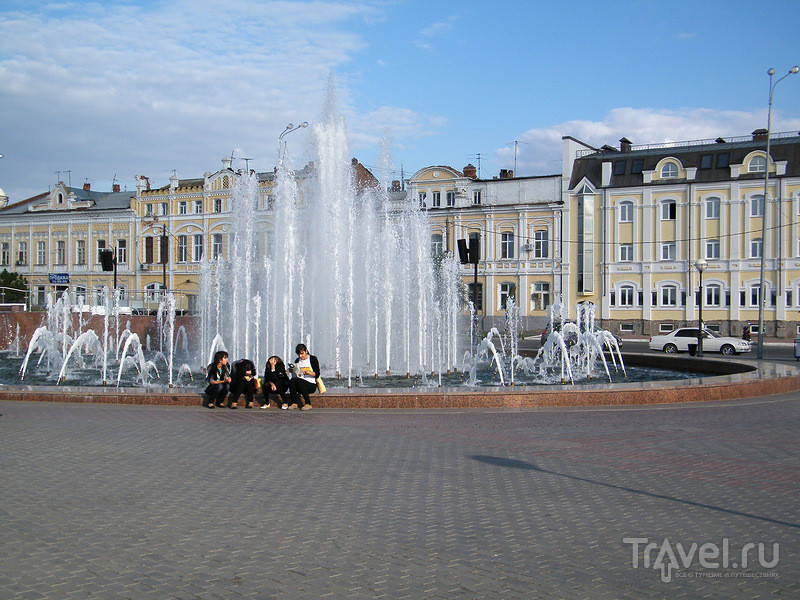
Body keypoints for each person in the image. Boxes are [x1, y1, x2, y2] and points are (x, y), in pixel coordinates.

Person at [287, 343, 319, 411]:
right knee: (292, 381)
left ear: (306, 351)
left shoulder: (312, 359)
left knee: (299, 381)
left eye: (302, 353)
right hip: (300, 383)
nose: (300, 356)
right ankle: (294, 402)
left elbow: (317, 374)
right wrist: (292, 371)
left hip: (310, 384)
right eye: (299, 354)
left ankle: (308, 403)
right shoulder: (297, 360)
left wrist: (308, 372)